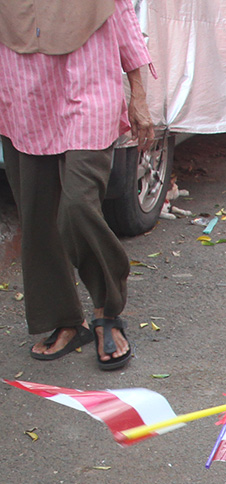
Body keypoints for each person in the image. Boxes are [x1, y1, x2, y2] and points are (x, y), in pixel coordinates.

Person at [0, 0, 153, 369]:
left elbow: (122, 18)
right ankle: (65, 320)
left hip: (88, 91)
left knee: (77, 206)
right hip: (21, 97)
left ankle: (107, 310)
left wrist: (139, 95)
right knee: (36, 215)